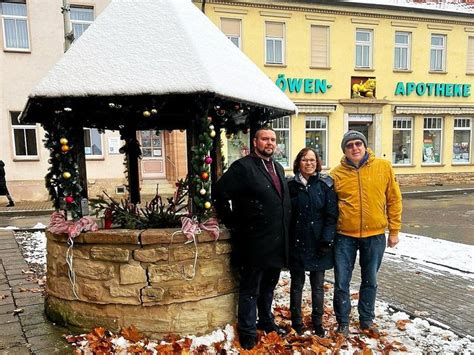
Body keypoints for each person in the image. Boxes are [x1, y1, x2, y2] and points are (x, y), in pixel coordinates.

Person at [213, 127, 291, 350]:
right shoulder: (243, 167)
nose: (270, 143)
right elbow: (219, 193)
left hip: (276, 241)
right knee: (250, 289)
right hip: (253, 242)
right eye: (265, 139)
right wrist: (233, 222)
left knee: (268, 287)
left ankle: (265, 321)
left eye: (273, 139)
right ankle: (247, 332)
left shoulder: (276, 167)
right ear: (255, 142)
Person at [330, 130, 402, 336]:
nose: (354, 148)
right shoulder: (336, 175)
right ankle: (342, 321)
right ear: (344, 150)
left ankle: (366, 319)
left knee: (370, 280)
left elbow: (394, 200)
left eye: (358, 144)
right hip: (344, 236)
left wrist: (394, 230)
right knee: (342, 281)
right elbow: (330, 207)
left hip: (375, 235)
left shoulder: (383, 167)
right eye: (350, 145)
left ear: (364, 146)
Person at [287, 148, 338, 337]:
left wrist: (327, 240)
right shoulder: (290, 185)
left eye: (312, 160)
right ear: (298, 163)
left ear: (317, 163)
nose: (309, 163)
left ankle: (317, 322)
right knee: (297, 284)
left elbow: (331, 215)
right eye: (304, 160)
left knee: (317, 285)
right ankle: (297, 321)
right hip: (297, 241)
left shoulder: (325, 185)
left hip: (318, 242)